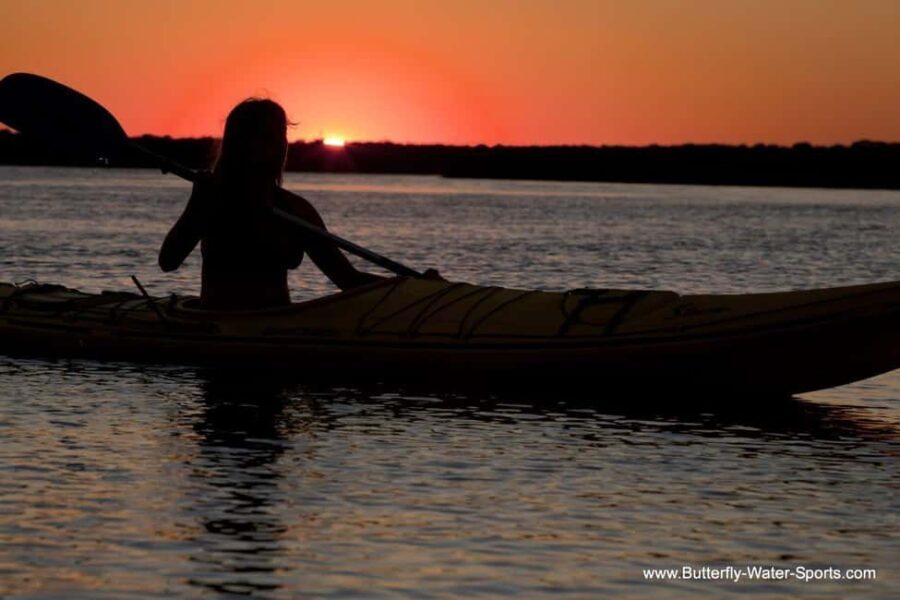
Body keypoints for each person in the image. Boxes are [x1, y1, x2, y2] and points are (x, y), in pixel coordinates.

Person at [158, 99, 383, 309]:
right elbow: (168, 261)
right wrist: (197, 205)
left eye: (281, 136)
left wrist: (408, 288)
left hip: (274, 325)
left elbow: (348, 279)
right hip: (218, 324)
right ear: (241, 144)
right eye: (267, 138)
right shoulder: (212, 198)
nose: (279, 146)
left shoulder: (295, 208)